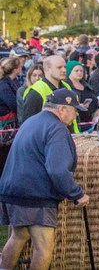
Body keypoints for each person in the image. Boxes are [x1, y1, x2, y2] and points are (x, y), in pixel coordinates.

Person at [0, 89, 90, 270]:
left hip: (13, 191)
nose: (76, 115)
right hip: (36, 195)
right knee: (43, 247)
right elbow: (57, 171)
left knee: (19, 236)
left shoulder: (31, 122)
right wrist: (77, 193)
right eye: (75, 110)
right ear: (63, 109)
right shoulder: (56, 129)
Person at [17, 56, 81, 132]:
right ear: (47, 69)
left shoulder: (66, 86)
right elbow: (28, 125)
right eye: (59, 67)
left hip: (68, 137)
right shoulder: (35, 91)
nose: (64, 70)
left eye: (65, 67)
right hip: (49, 140)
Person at [66, 60, 97, 125]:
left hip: (88, 119)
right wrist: (78, 106)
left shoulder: (86, 85)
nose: (79, 73)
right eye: (76, 71)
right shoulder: (65, 86)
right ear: (69, 72)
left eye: (81, 71)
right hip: (74, 120)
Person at [0, 57, 22, 127]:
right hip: (7, 122)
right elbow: (13, 105)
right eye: (20, 67)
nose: (22, 68)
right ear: (15, 70)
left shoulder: (14, 81)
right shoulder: (4, 85)